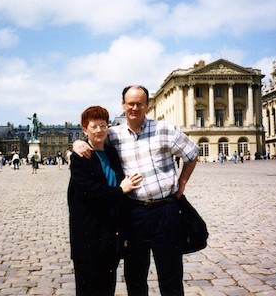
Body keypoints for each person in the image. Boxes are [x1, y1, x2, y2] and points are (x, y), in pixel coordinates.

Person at [73, 85, 199, 295]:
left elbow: (192, 153)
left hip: (165, 210)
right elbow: (92, 138)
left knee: (171, 274)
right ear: (123, 105)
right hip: (133, 213)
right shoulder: (113, 134)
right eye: (130, 103)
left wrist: (182, 182)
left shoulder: (164, 129)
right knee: (135, 277)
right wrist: (76, 144)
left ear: (147, 105)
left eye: (139, 103)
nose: (134, 108)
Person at [68, 105, 142, 296]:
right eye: (94, 127)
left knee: (108, 286)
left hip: (111, 232)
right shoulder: (80, 157)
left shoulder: (111, 152)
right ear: (85, 130)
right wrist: (120, 191)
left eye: (103, 126)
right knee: (88, 288)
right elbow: (89, 192)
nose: (99, 130)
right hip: (89, 233)